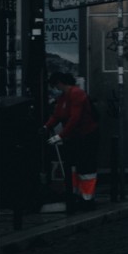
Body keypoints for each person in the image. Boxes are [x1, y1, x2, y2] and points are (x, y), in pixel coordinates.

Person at [44, 72, 100, 211]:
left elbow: (74, 118)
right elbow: (57, 115)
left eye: (56, 85)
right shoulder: (63, 97)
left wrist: (60, 135)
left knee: (85, 167)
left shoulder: (76, 94)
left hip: (86, 135)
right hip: (75, 136)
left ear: (60, 83)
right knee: (75, 166)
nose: (56, 88)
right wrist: (47, 126)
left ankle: (87, 198)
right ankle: (76, 194)